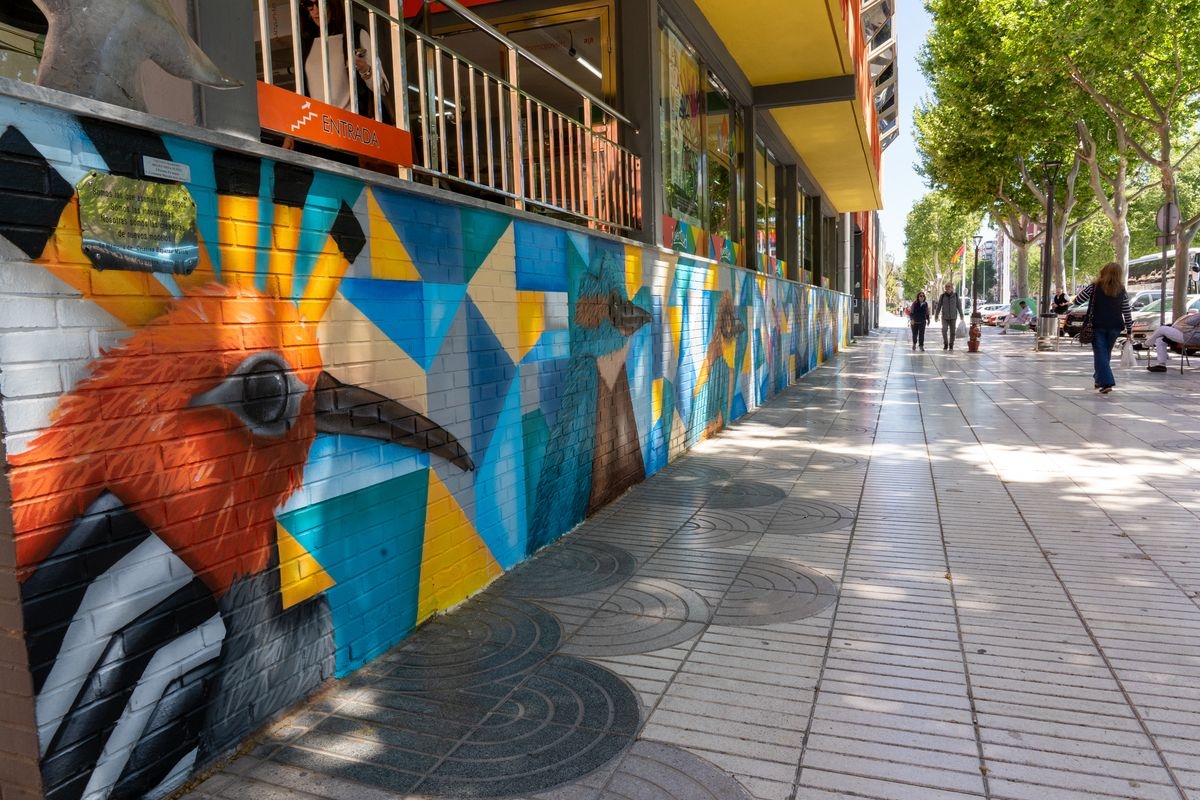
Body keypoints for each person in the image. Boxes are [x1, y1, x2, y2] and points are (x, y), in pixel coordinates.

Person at [299, 0, 390, 118]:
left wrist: (365, 69)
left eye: (321, 3)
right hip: (317, 126)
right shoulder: (307, 42)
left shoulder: (355, 34)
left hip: (350, 124)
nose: (315, 10)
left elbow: (381, 87)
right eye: (309, 5)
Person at [1073, 262, 1133, 393]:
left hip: (1097, 325)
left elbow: (1078, 300)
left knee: (1100, 353)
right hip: (1115, 327)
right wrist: (1129, 330)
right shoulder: (1122, 290)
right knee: (1105, 354)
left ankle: (1106, 382)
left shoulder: (1094, 287)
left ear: (1103, 272)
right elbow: (1126, 311)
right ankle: (1098, 379)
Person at [932, 282, 964, 350]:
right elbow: (939, 306)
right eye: (946, 287)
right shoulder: (942, 296)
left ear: (952, 288)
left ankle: (951, 344)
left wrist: (961, 314)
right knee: (944, 330)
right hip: (944, 317)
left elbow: (959, 306)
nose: (947, 288)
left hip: (953, 317)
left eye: (949, 286)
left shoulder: (956, 295)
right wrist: (936, 315)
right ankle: (946, 343)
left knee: (952, 332)